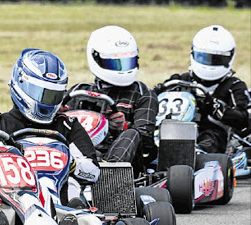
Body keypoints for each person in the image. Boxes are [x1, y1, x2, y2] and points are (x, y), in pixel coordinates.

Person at [0, 48, 100, 206]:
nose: (47, 102)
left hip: (63, 206)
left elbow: (93, 172)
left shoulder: (67, 125)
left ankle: (72, 219)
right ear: (22, 84)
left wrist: (71, 164)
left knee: (72, 186)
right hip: (12, 206)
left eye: (54, 96)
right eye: (42, 94)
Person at [64, 25, 159, 174]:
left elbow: (147, 146)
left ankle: (108, 176)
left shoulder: (143, 93)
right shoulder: (79, 91)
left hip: (120, 162)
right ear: (96, 58)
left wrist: (123, 127)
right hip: (77, 157)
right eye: (114, 63)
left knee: (132, 134)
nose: (122, 70)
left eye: (127, 62)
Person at [153, 25, 250, 153]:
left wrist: (215, 108)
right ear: (193, 53)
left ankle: (196, 154)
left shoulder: (234, 86)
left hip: (212, 133)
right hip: (174, 130)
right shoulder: (178, 80)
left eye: (216, 59)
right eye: (204, 57)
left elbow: (243, 121)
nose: (209, 64)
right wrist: (154, 93)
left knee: (209, 138)